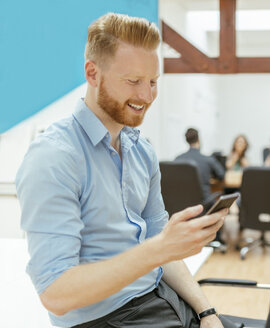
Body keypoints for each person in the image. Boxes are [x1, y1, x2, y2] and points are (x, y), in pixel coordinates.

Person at [15, 13, 233, 328]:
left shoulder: (141, 151)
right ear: (93, 73)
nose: (146, 96)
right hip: (107, 319)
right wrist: (157, 249)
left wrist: (206, 312)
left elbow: (162, 248)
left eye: (153, 82)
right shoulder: (55, 157)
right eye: (133, 81)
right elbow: (56, 294)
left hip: (160, 296)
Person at [175, 128, 225, 205]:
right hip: (204, 203)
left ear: (187, 141)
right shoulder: (208, 160)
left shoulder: (177, 159)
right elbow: (221, 175)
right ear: (198, 140)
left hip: (183, 204)